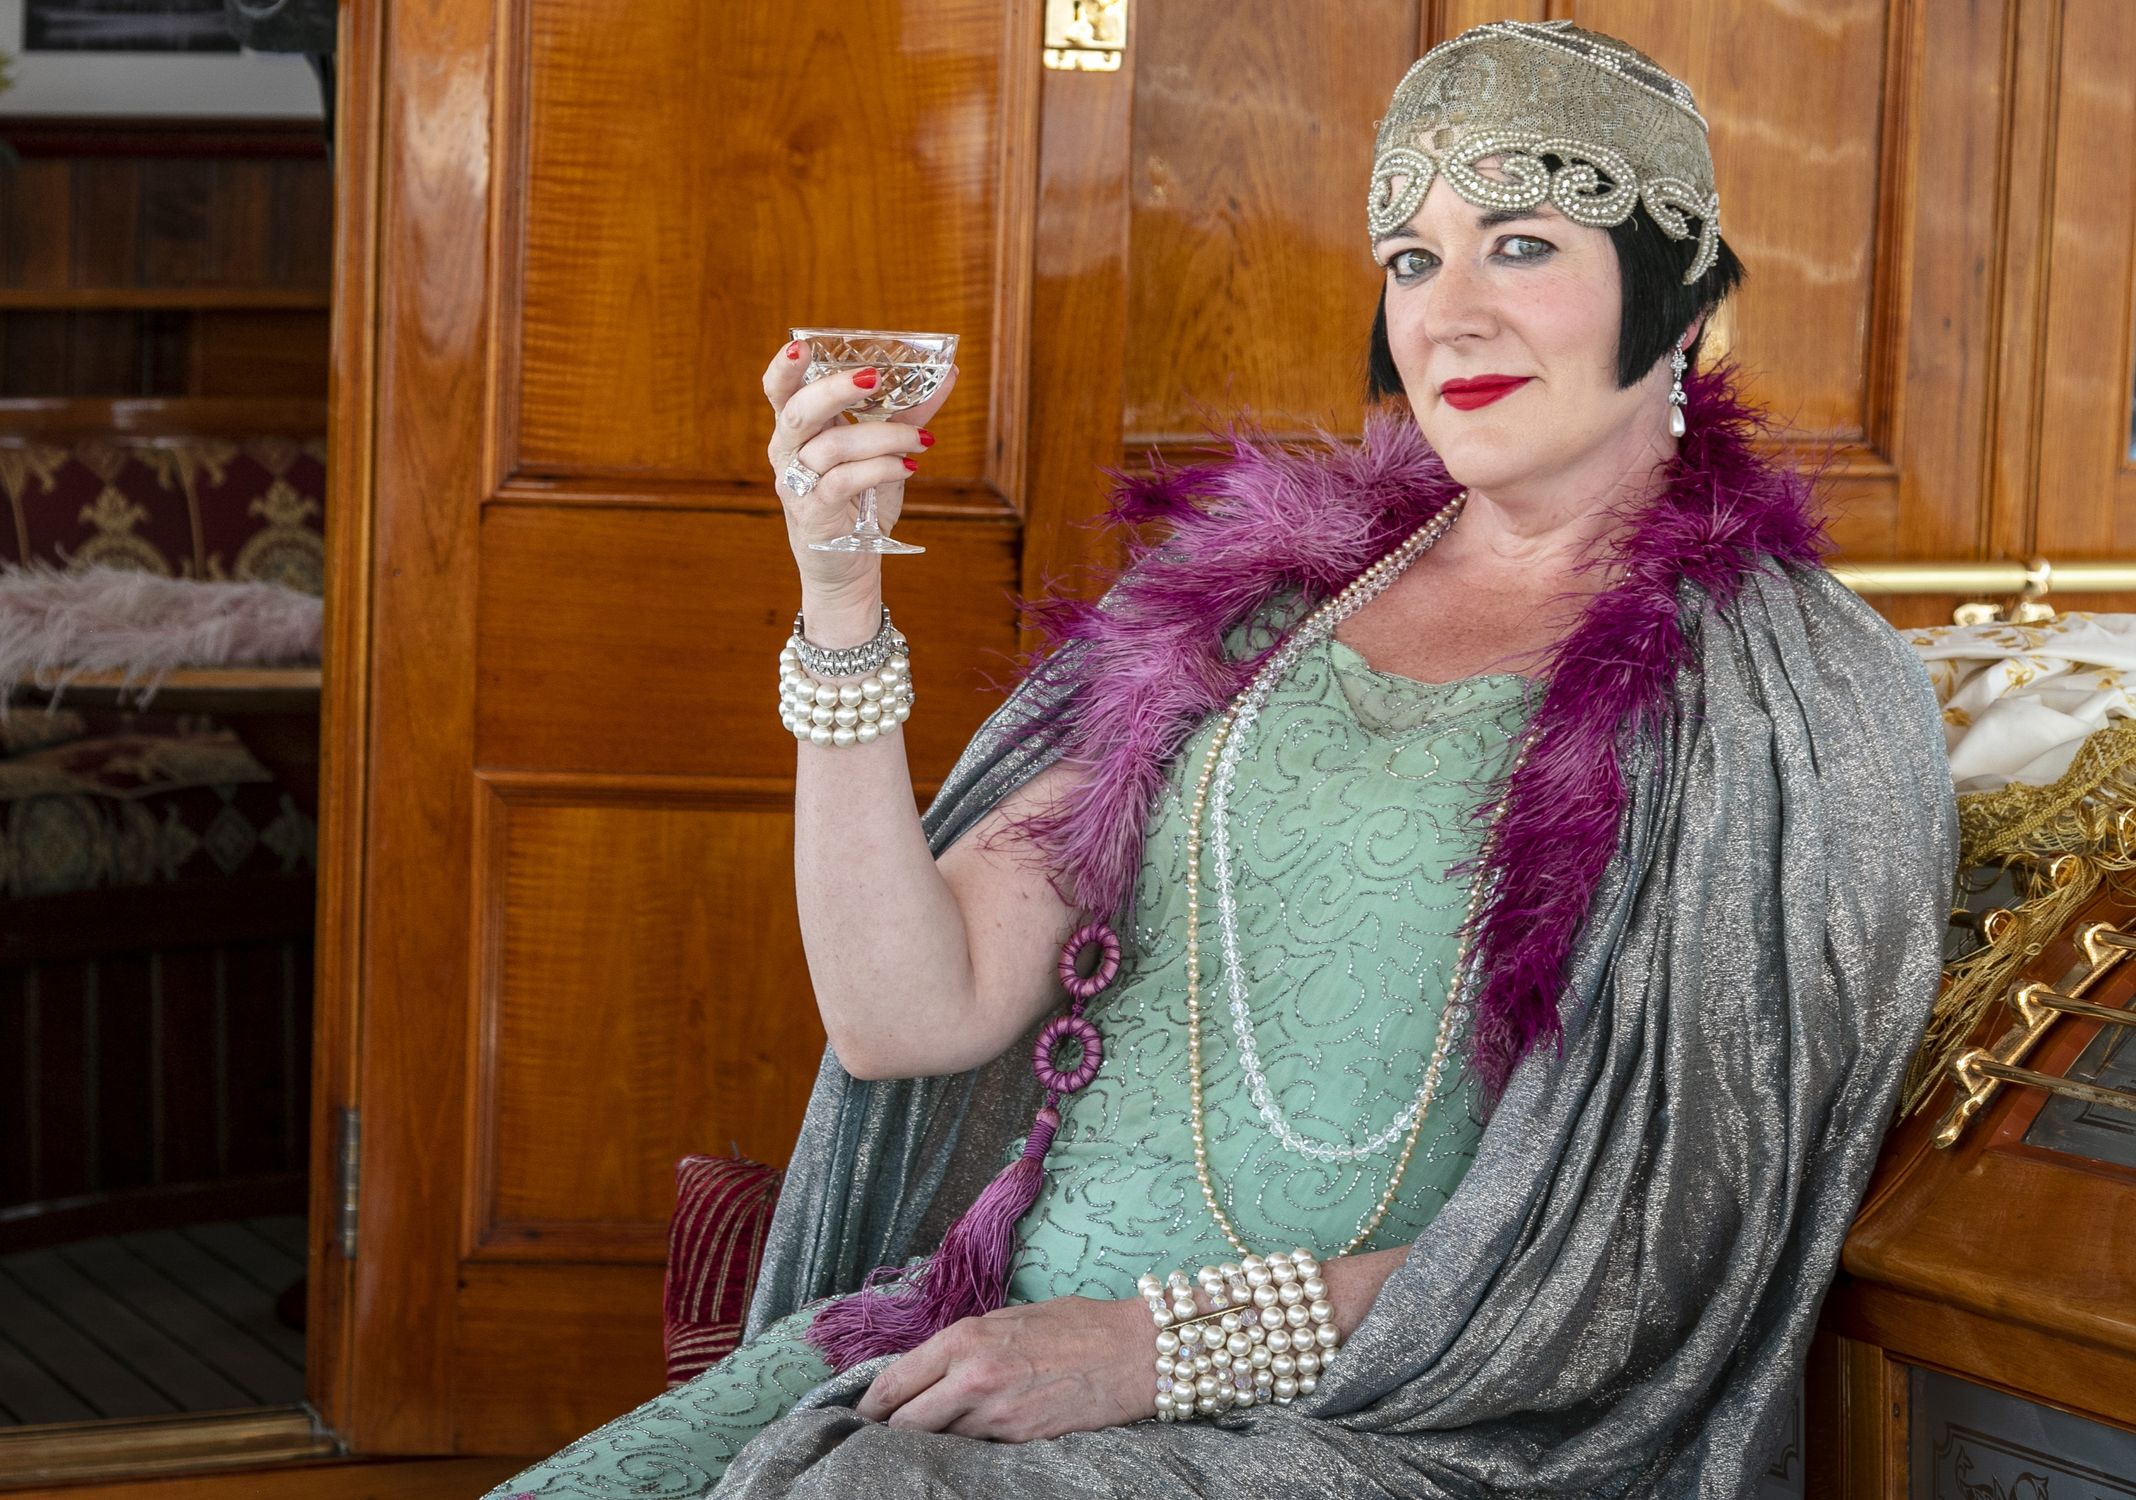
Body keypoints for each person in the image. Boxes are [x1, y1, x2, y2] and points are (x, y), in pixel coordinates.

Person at [491, 19, 1952, 1499]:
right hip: (974, 1347)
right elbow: (904, 1013)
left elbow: (1640, 1256)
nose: (1445, 315)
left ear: (1680, 293)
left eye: (1518, 243)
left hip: (1391, 1418)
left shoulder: (1786, 707)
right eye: (1409, 257)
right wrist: (841, 597)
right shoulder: (1256, 599)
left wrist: (1147, 1349)